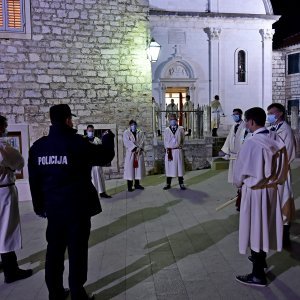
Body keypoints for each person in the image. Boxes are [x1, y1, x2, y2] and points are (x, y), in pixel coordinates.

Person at [28, 104, 115, 300]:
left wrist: (39, 207)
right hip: (77, 209)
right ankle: (77, 293)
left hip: (54, 210)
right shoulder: (77, 143)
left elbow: (34, 181)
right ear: (68, 120)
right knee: (77, 251)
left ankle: (55, 293)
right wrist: (108, 139)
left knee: (54, 252)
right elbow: (104, 156)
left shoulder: (38, 147)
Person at [233, 107, 289, 287]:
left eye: (246, 122)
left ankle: (257, 275)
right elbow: (284, 167)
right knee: (265, 227)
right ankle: (262, 262)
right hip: (272, 190)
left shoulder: (251, 143)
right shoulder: (276, 138)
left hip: (255, 193)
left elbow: (239, 173)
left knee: (255, 229)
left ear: (250, 122)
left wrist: (239, 184)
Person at [0, 115, 33, 284]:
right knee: (7, 230)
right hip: (3, 192)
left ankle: (3, 263)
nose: (5, 130)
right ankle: (11, 271)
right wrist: (9, 166)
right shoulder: (2, 147)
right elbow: (19, 162)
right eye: (4, 126)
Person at [267, 103, 296, 247]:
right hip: (272, 172)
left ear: (279, 114)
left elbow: (289, 153)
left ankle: (285, 236)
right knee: (274, 203)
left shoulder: (286, 130)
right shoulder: (272, 128)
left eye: (271, 113)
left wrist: (277, 167)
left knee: (283, 201)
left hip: (282, 172)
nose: (269, 115)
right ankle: (275, 231)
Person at [219, 108, 248, 211]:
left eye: (236, 114)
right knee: (236, 178)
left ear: (241, 114)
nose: (234, 116)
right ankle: (239, 195)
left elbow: (244, 141)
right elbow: (229, 139)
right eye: (233, 114)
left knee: (241, 178)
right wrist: (225, 150)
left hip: (240, 157)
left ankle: (241, 199)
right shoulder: (233, 126)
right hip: (233, 156)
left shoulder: (245, 127)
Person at [85, 125, 112, 199]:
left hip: (97, 163)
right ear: (87, 131)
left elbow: (101, 151)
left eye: (92, 131)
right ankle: (92, 195)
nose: (91, 132)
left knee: (100, 178)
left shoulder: (97, 140)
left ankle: (102, 192)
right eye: (89, 131)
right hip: (88, 164)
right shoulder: (84, 140)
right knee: (91, 180)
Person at [163, 114, 186, 190]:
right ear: (169, 121)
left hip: (177, 150)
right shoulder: (166, 130)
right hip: (170, 151)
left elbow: (183, 138)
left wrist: (181, 145)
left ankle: (181, 183)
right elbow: (165, 140)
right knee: (169, 167)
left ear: (176, 120)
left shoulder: (180, 129)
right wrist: (167, 148)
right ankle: (168, 183)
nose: (172, 121)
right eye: (171, 119)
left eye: (174, 119)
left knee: (179, 167)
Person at [123, 120, 146, 192]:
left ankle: (137, 184)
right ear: (130, 125)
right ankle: (129, 186)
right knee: (130, 170)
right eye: (132, 125)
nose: (134, 126)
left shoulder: (140, 132)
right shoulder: (126, 133)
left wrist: (140, 148)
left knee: (137, 169)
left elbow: (143, 141)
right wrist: (135, 148)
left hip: (138, 153)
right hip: (131, 153)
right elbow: (126, 142)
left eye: (135, 124)